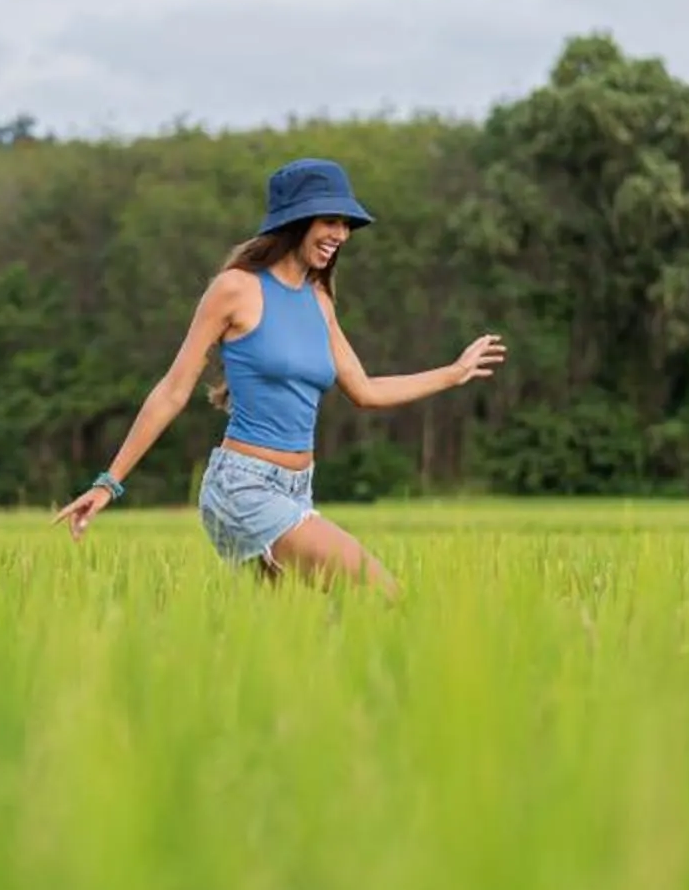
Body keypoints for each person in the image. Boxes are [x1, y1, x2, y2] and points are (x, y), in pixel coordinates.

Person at [54, 157, 504, 591]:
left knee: (285, 642)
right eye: (330, 221)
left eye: (346, 225)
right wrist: (108, 483)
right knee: (385, 595)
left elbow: (365, 390)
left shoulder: (319, 301)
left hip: (297, 490)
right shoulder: (235, 288)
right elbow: (173, 390)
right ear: (296, 220)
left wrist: (455, 372)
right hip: (244, 486)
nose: (341, 234)